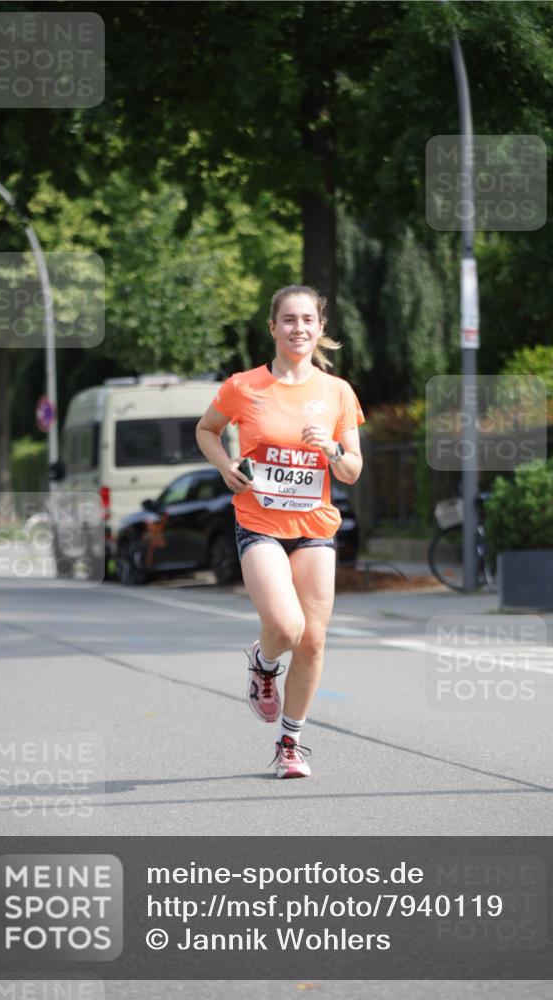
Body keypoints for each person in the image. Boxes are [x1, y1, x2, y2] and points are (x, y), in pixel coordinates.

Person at [196, 285, 364, 778]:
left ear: (320, 328)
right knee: (287, 628)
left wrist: (332, 450)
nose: (299, 328)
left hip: (314, 527)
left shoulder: (337, 392)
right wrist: (226, 466)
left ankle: (290, 743)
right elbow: (207, 430)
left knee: (312, 641)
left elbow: (353, 469)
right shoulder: (244, 386)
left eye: (308, 320)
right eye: (288, 320)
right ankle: (264, 662)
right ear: (273, 328)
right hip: (260, 522)